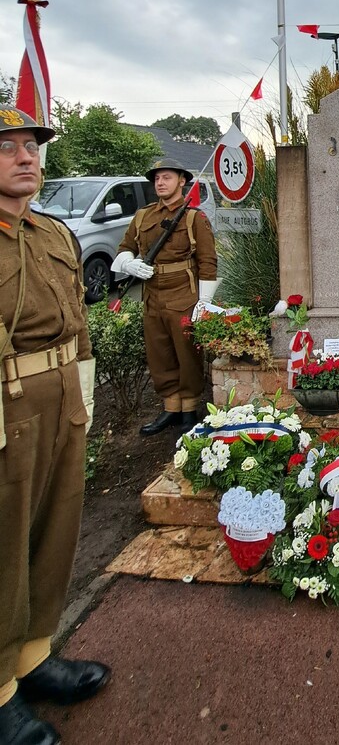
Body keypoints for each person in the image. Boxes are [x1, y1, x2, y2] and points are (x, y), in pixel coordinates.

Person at [0, 108, 110, 745]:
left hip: (62, 391)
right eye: (9, 147)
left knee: (55, 523)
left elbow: (76, 318)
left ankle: (34, 655)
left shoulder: (53, 235)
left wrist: (84, 389)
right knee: (4, 540)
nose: (26, 158)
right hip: (9, 401)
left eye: (32, 147)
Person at [112, 159, 218, 436]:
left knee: (187, 354)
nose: (160, 182)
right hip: (152, 295)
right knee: (159, 354)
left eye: (167, 177)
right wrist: (127, 264)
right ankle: (170, 407)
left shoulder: (194, 217)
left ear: (182, 181)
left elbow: (207, 262)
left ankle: (189, 409)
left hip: (183, 293)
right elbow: (125, 247)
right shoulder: (143, 216)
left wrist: (204, 303)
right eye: (157, 178)